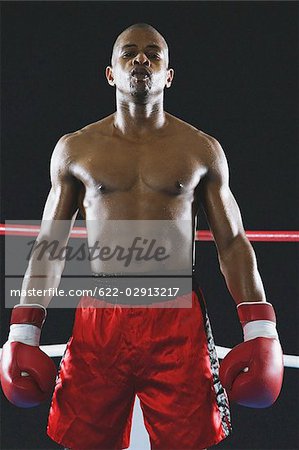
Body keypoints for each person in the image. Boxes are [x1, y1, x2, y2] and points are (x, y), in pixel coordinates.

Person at [0, 23, 284, 450]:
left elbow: (232, 242)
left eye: (153, 53)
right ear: (111, 73)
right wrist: (23, 331)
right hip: (101, 316)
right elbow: (49, 245)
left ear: (168, 74)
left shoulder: (201, 149)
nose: (141, 59)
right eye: (129, 52)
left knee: (189, 442)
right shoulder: (76, 149)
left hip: (175, 318)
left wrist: (260, 327)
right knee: (84, 442)